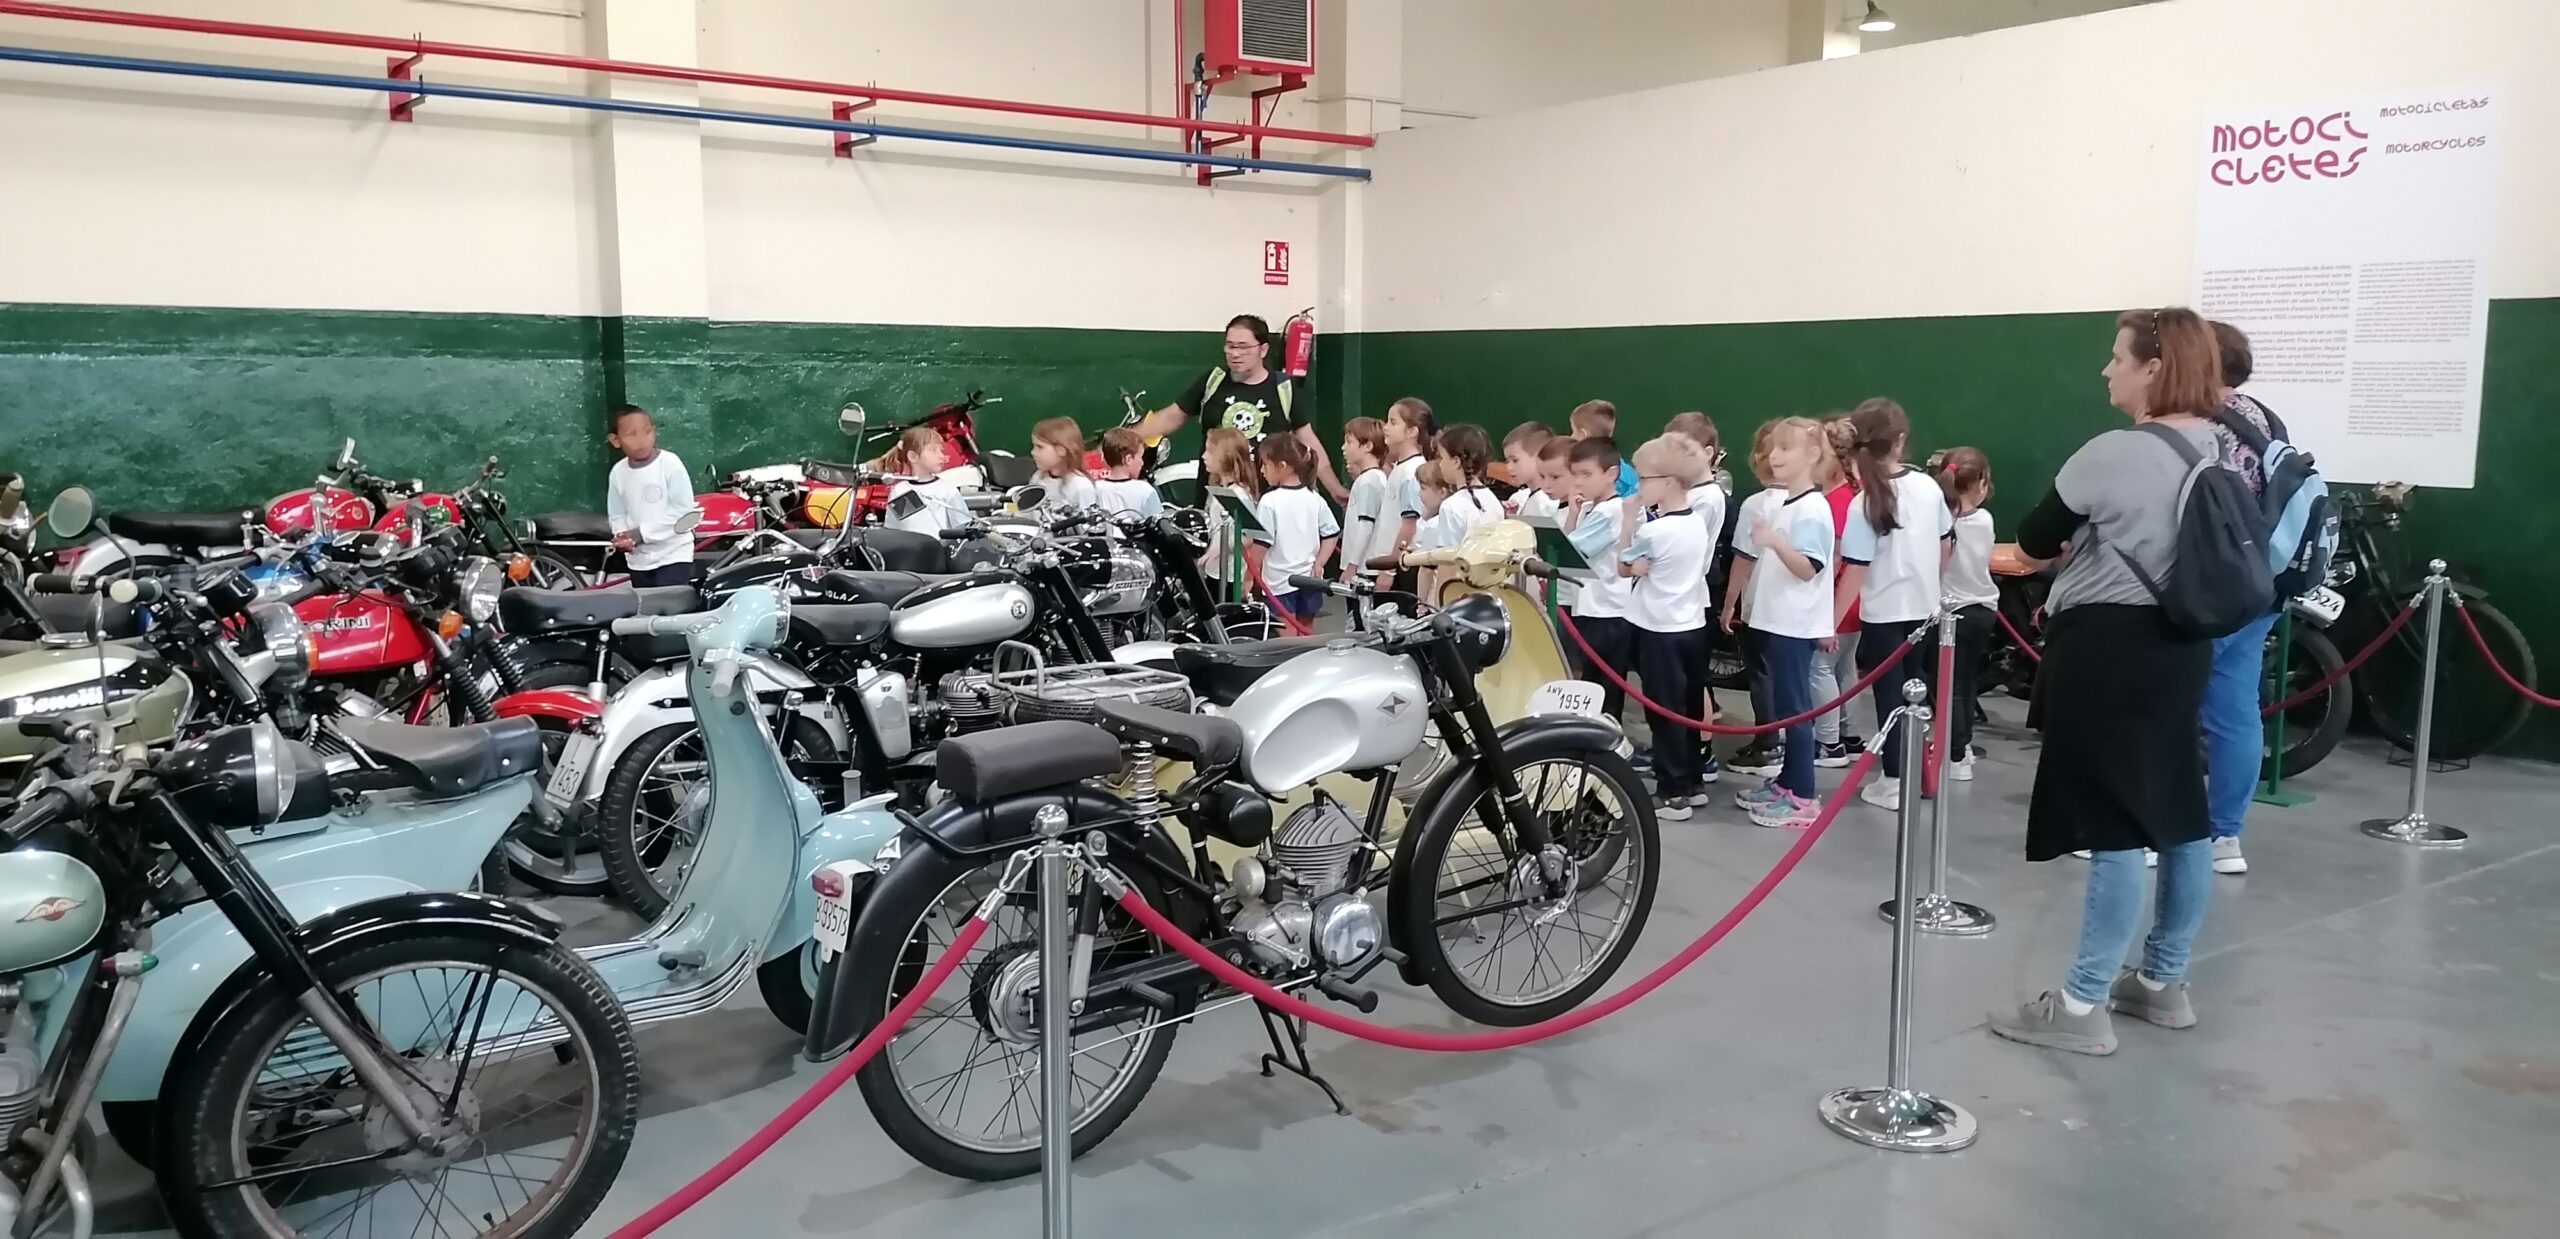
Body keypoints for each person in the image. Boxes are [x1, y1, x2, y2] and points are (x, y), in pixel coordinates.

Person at [1986, 307, 2224, 1057]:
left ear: (2154, 367)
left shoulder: (2113, 453)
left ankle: (2082, 1003)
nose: (2107, 370)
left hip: (2108, 646)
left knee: (2115, 821)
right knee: (2180, 810)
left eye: (2118, 357)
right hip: (2184, 642)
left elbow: (2033, 540)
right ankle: (2163, 981)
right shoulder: (2223, 444)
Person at [1836, 399, 1954, 811]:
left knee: (1891, 699)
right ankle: (1915, 774)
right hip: (1924, 610)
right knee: (1915, 694)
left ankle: (1895, 780)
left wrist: (1830, 622)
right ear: (1900, 440)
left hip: (1885, 615)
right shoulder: (1927, 487)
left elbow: (1855, 570)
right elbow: (1945, 543)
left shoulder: (1863, 501)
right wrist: (1930, 584)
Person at [2200, 319, 2282, 876]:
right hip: (2259, 584)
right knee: (2236, 715)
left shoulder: (2201, 424)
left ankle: (2154, 831)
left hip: (2207, 590)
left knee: (2165, 706)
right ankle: (2224, 836)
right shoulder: (2264, 419)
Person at [1732, 418, 1837, 830]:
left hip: (1794, 624)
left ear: (1812, 455)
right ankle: (1787, 783)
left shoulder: (1811, 508)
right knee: (1786, 707)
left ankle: (1803, 796)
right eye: (1773, 447)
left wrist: (1774, 542)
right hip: (1777, 620)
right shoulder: (1787, 503)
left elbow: (1808, 568)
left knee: (1795, 710)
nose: (1774, 456)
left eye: (1785, 448)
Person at [1135, 314, 1342, 500]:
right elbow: (1171, 416)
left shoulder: (1282, 388)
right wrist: (1124, 439)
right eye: (1230, 346)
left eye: (1243, 347)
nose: (1235, 353)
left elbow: (1307, 439)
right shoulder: (1213, 381)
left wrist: (1334, 488)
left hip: (1266, 500)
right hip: (1215, 496)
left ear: (1263, 350)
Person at [1620, 435, 1717, 820]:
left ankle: (1672, 791)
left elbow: (1622, 566)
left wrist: (1628, 522)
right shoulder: (1695, 523)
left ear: (1671, 481)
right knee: (1688, 705)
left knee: (1664, 711)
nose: (1639, 486)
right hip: (1691, 624)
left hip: (1659, 629)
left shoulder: (1654, 531)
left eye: (1644, 479)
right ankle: (1691, 782)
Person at [1722, 421, 1788, 778]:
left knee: (1762, 676)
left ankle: (1768, 743)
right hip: (1795, 612)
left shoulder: (1756, 505)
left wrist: (1729, 605)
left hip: (1760, 608)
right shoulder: (1813, 502)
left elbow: (1743, 560)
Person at [1929, 447, 1999, 782]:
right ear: (1981, 483)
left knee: (1949, 686)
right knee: (1966, 682)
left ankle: (1954, 754)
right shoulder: (1984, 520)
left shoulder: (1940, 522)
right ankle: (1962, 747)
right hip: (1982, 611)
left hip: (1950, 612)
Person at [1666, 411, 1730, 742]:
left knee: (1694, 679)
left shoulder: (1707, 496)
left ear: (1707, 453)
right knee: (1679, 678)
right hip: (1677, 594)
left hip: (1691, 593)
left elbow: (1688, 548)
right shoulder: (1688, 492)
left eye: (1684, 452)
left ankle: (1701, 748)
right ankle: (1681, 743)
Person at [1562, 437, 1635, 721]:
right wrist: (1573, 514)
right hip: (1597, 607)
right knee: (1597, 683)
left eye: (1586, 474)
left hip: (1606, 611)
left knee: (1603, 688)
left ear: (1611, 474)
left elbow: (1568, 552)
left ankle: (1606, 737)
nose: (1579, 482)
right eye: (1575, 474)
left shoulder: (1609, 512)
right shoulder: (1596, 510)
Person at [1808, 416, 1864, 766]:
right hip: (1855, 600)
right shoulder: (1849, 496)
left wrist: (1825, 611)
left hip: (1838, 601)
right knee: (1844, 666)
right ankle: (1848, 734)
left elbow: (1836, 560)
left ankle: (1828, 742)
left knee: (1820, 667)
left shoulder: (1838, 502)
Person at [1250, 432, 1339, 625]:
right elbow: (1331, 534)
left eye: (1265, 465)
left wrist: (1249, 578)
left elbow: (1261, 544)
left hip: (1279, 583)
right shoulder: (1315, 498)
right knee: (1306, 631)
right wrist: (1319, 563)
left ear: (1283, 466)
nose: (1262, 471)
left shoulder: (1269, 501)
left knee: (1286, 634)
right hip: (1310, 580)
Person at [605, 404, 697, 588]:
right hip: (638, 561)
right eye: (632, 434)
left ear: (654, 432)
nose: (641, 440)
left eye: (647, 432)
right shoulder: (618, 472)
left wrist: (640, 534)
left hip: (674, 554)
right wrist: (622, 537)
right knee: (646, 604)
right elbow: (617, 514)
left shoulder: (670, 463)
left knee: (668, 603)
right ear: (615, 440)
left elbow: (683, 512)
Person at [1380, 398, 1438, 591]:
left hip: (1405, 566)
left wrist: (1389, 569)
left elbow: (1409, 525)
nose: (1386, 427)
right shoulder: (1401, 468)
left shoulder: (1411, 472)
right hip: (1398, 561)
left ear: (1412, 431)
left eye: (1393, 422)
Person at [1199, 427, 1258, 598]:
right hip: (1215, 571)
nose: (1204, 456)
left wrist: (1219, 550)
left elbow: (1250, 537)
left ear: (1226, 456)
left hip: (1230, 575)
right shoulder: (1220, 490)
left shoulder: (1238, 494)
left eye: (1209, 451)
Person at [884, 426, 971, 537]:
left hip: (939, 547)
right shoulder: (900, 491)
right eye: (933, 450)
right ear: (913, 456)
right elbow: (896, 529)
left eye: (941, 450)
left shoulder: (947, 489)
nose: (941, 456)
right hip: (910, 547)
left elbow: (961, 526)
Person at [1337, 417, 1391, 585]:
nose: (1343, 447)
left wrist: (1352, 566)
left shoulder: (1369, 480)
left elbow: (1366, 525)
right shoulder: (1373, 478)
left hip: (1364, 569)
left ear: (1368, 446)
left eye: (1349, 442)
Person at [1434, 425, 1504, 538]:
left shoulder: (1451, 507)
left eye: (1442, 458)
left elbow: (1448, 549)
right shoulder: (1494, 501)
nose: (1440, 464)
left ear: (1456, 461)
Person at [1569, 400, 1641, 498]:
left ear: (1583, 435)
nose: (1572, 436)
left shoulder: (1609, 476)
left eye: (1573, 431)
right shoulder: (1626, 470)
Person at [1028, 417, 1102, 511]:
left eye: (1039, 447)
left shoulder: (1080, 486)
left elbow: (1087, 518)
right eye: (1033, 446)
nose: (1033, 452)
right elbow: (1025, 513)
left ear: (1061, 450)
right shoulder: (1038, 477)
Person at [1503, 422, 1559, 518]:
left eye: (1515, 460)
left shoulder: (1548, 504)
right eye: (1507, 461)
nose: (1509, 467)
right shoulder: (1521, 498)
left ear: (1539, 457)